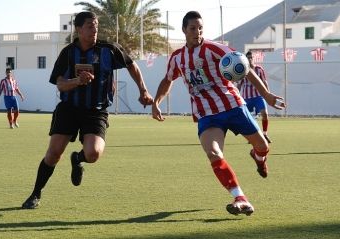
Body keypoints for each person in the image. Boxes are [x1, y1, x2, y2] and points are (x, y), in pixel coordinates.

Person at [151, 11, 285, 216]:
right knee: (213, 153)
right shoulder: (178, 58)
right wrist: (156, 102)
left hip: (233, 106)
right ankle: (240, 197)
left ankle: (259, 158)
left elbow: (244, 65)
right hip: (207, 115)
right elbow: (168, 79)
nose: (197, 32)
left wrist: (266, 95)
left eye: (200, 28)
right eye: (193, 28)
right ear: (184, 30)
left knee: (262, 146)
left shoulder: (214, 48)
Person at [21, 11, 153, 209]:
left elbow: (132, 65)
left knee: (93, 154)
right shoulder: (68, 53)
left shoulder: (109, 49)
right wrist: (77, 81)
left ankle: (78, 158)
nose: (95, 29)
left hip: (96, 110)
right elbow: (59, 84)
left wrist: (143, 90)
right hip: (68, 108)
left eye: (96, 25)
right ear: (79, 29)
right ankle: (35, 194)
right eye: (90, 26)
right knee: (54, 153)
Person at [236, 51, 272, 143]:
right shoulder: (243, 70)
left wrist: (267, 94)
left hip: (258, 96)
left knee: (265, 114)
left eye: (251, 57)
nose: (250, 59)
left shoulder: (259, 69)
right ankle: (253, 136)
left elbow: (264, 82)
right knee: (248, 119)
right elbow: (239, 85)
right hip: (246, 98)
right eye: (248, 58)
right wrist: (237, 95)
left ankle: (265, 134)